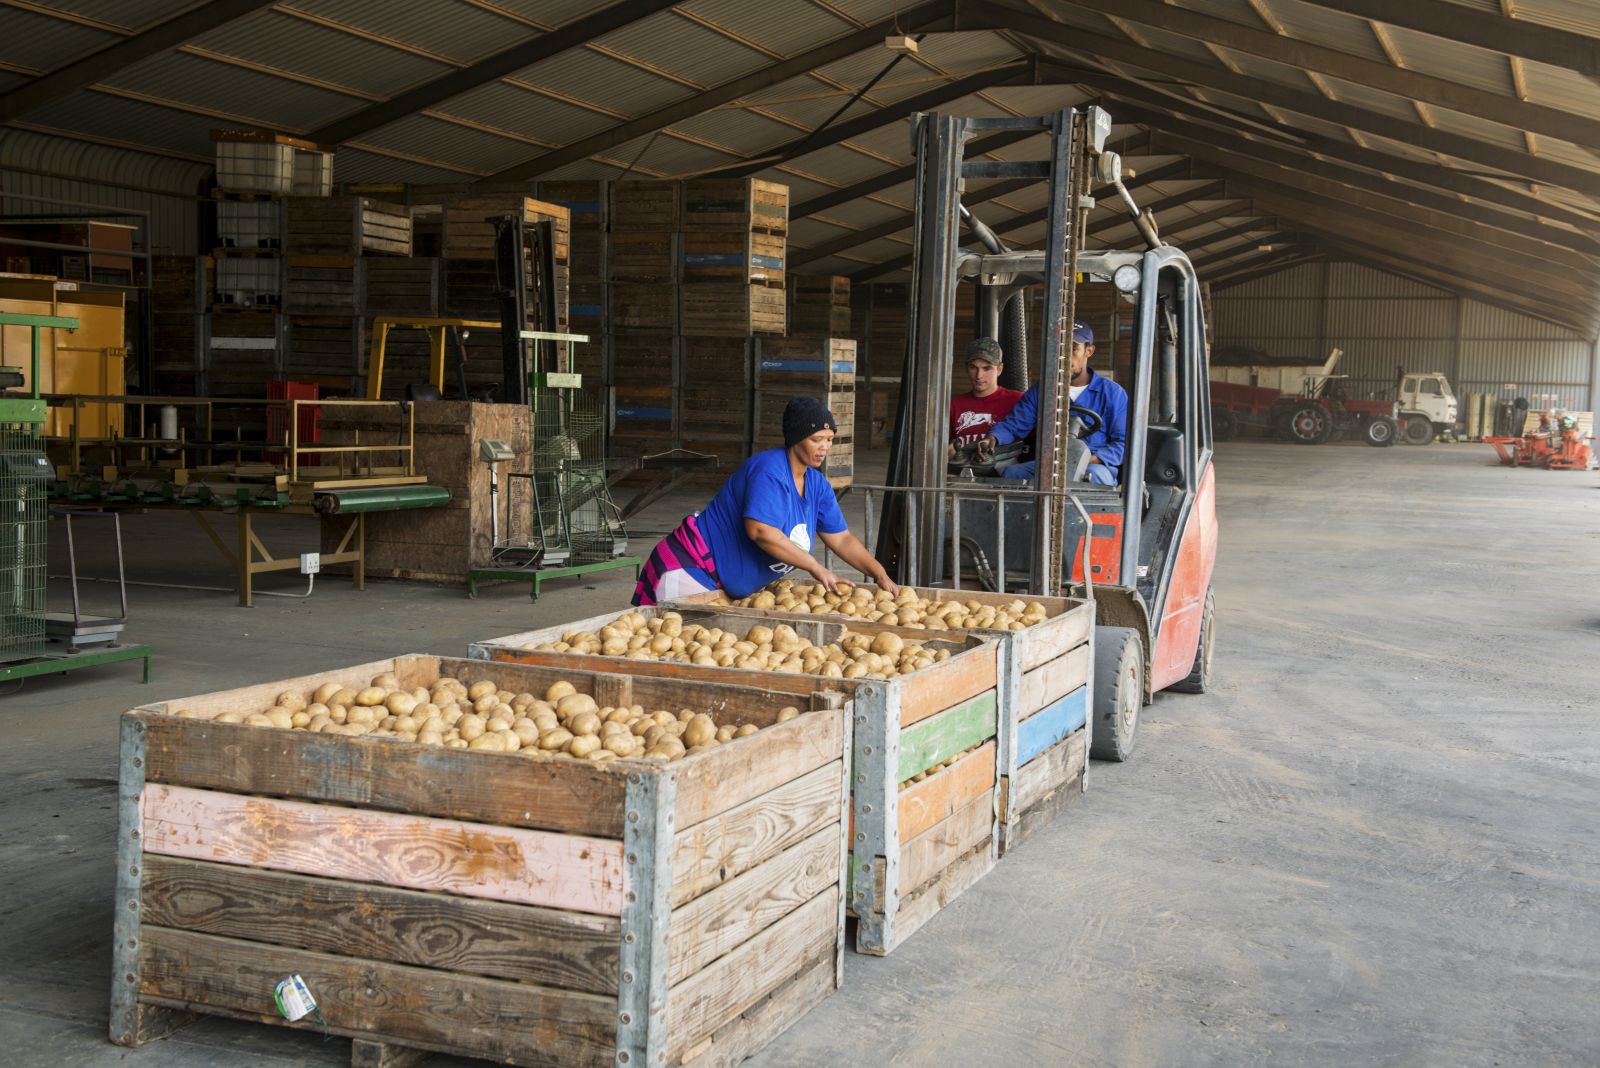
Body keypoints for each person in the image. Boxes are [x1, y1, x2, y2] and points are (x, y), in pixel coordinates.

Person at [633, 396, 899, 606]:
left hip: (724, 587)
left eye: (829, 440)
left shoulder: (817, 485)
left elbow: (841, 539)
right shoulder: (769, 470)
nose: (825, 447)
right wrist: (816, 568)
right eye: (816, 439)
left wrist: (879, 573)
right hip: (691, 571)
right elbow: (761, 531)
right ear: (796, 439)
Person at [978, 321, 1127, 485]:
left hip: (1094, 466)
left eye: (1073, 348)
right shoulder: (1043, 390)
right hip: (1049, 465)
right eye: (1060, 348)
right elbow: (1014, 425)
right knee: (1012, 473)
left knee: (1090, 477)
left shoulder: (1112, 393)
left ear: (1089, 351)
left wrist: (1091, 459)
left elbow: (1123, 443)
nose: (1065, 356)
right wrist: (993, 438)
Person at [948, 337, 1024, 457]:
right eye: (973, 367)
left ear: (999, 369)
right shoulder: (953, 405)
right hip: (962, 473)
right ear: (966, 368)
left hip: (1005, 473)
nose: (979, 375)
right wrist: (946, 453)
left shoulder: (1019, 401)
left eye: (986, 368)